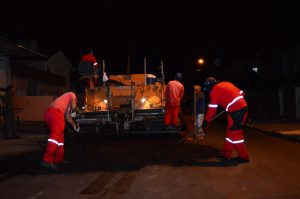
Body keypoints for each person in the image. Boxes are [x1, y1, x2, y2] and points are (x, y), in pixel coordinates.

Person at [202, 77, 250, 164]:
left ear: (209, 86)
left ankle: (244, 156)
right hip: (238, 108)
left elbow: (212, 108)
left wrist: (206, 120)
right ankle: (226, 154)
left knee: (235, 134)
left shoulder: (214, 91)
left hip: (237, 110)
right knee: (229, 132)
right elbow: (242, 93)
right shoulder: (226, 83)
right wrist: (232, 100)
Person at [40, 91, 80, 172]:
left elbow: (68, 117)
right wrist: (74, 111)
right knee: (56, 134)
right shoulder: (71, 94)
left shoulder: (64, 104)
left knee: (60, 137)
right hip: (55, 112)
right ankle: (47, 159)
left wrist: (74, 126)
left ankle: (59, 159)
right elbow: (73, 106)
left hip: (49, 113)